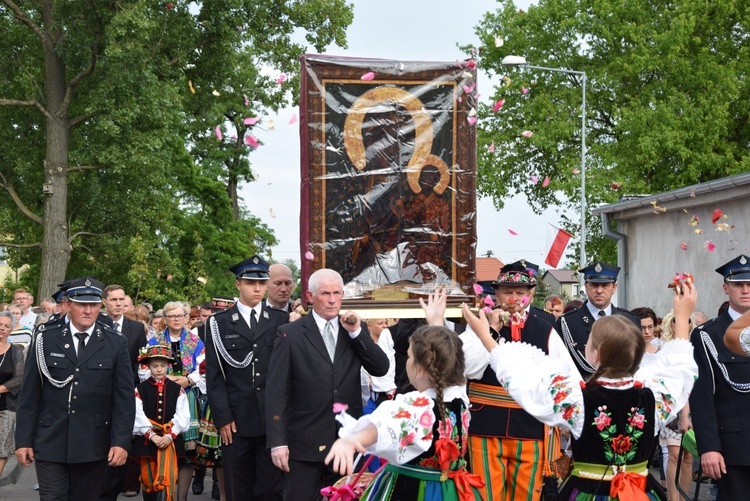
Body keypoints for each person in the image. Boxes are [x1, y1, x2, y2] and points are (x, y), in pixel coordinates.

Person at [461, 280, 699, 500]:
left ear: (595, 354)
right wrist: (682, 315)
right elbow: (682, 369)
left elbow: (523, 380)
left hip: (590, 492)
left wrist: (487, 338)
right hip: (640, 491)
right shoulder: (657, 397)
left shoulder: (575, 400)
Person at [265, 268, 389, 501]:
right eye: (325, 294)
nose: (332, 300)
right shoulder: (289, 334)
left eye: (337, 293)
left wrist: (356, 333)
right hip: (303, 442)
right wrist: (277, 443)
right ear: (311, 297)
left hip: (345, 441)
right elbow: (275, 392)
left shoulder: (353, 331)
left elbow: (381, 368)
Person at [324, 323, 484, 500]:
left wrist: (354, 439)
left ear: (421, 368)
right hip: (450, 491)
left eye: (409, 357)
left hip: (415, 491)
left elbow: (386, 426)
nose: (407, 361)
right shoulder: (459, 398)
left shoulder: (419, 407)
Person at [466, 262, 578, 501]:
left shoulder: (545, 328)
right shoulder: (479, 323)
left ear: (531, 294)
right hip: (485, 425)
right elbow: (469, 369)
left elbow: (567, 377)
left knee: (527, 496)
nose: (514, 298)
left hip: (530, 427)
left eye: (520, 292)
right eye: (507, 291)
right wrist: (492, 330)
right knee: (484, 495)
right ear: (495, 294)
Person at [15, 277, 134, 500]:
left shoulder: (115, 342)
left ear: (101, 306)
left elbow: (124, 399)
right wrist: (23, 440)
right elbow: (30, 394)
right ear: (68, 304)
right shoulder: (45, 339)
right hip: (51, 439)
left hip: (94, 443)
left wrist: (120, 442)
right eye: (81, 304)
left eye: (94, 304)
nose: (88, 310)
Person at [205, 255, 289, 501]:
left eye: (262, 283)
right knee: (237, 487)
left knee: (271, 489)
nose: (257, 288)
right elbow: (215, 375)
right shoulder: (218, 324)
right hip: (237, 420)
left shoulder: (280, 320)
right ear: (238, 284)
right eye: (251, 283)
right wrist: (222, 416)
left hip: (271, 418)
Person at [690, 254, 750, 497]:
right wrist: (709, 447)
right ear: (726, 287)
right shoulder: (707, 335)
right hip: (733, 449)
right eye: (738, 285)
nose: (745, 290)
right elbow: (702, 397)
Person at [148, 301, 205, 501]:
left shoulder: (195, 341)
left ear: (187, 318)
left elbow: (204, 368)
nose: (176, 319)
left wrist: (188, 379)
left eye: (180, 316)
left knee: (187, 452)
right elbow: (144, 369)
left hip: (187, 396)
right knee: (163, 446)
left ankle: (181, 498)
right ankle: (162, 493)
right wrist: (166, 379)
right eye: (172, 316)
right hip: (160, 396)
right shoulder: (154, 341)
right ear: (165, 319)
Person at [555, 262, 641, 379]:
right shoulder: (567, 322)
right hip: (582, 392)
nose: (599, 290)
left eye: (605, 285)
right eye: (594, 285)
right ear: (586, 285)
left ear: (614, 287)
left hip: (621, 391)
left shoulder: (630, 321)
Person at [132, 345, 190, 501]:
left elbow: (183, 415)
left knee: (167, 477)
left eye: (163, 366)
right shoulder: (139, 389)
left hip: (169, 440)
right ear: (148, 366)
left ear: (168, 366)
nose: (159, 369)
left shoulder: (177, 389)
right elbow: (137, 414)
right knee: (148, 479)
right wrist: (151, 435)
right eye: (155, 366)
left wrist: (170, 435)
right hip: (148, 441)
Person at [0, 311, 25, 477]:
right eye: (0, 324)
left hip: (6, 406)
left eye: (6, 326)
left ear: (11, 329)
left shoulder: (16, 351)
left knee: (1, 448)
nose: (2, 328)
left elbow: (20, 378)